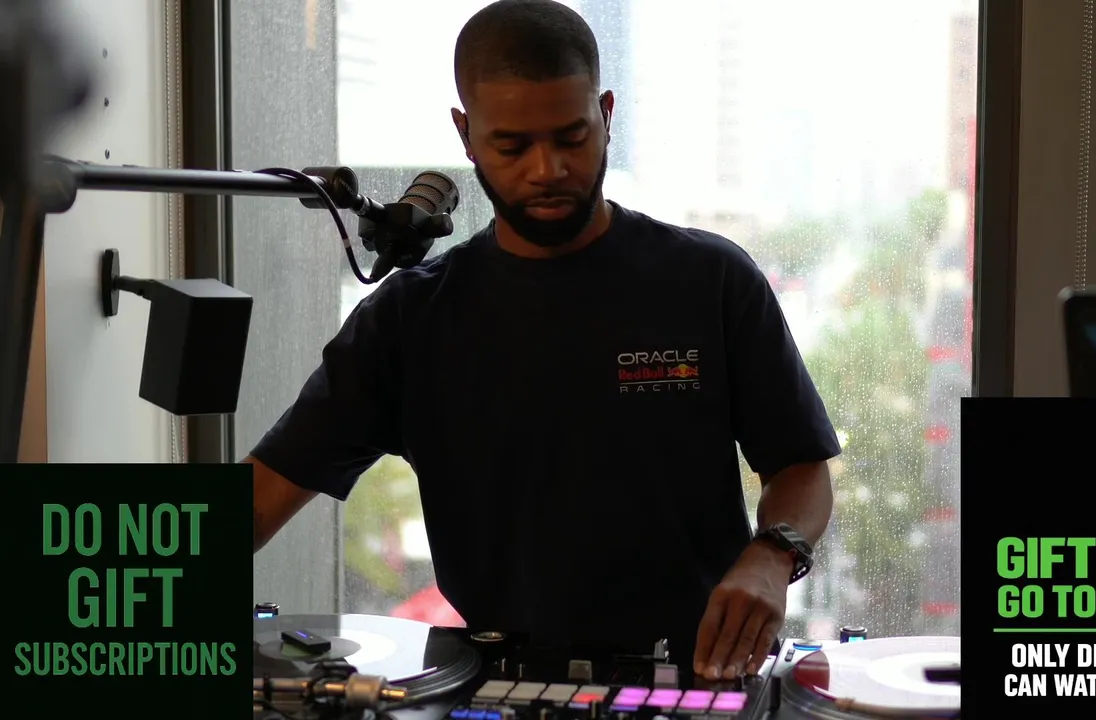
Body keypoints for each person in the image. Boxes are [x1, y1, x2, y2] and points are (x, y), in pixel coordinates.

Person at [247, 0, 839, 683]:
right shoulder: (407, 321)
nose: (547, 168)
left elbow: (801, 465)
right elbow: (257, 500)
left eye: (571, 137)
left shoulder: (712, 280)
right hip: (496, 681)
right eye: (512, 146)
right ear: (466, 135)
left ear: (606, 114)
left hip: (698, 674)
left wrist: (773, 554)